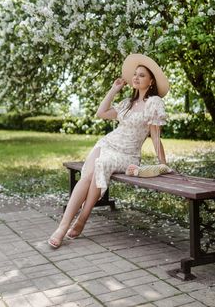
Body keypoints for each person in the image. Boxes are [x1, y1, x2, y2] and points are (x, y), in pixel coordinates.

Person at [48, 53, 169, 248]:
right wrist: (114, 89)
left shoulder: (153, 103)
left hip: (127, 155)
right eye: (135, 74)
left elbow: (155, 137)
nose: (136, 78)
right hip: (107, 144)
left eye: (142, 75)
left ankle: (82, 219)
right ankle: (62, 226)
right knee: (87, 176)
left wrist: (163, 164)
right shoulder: (126, 104)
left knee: (101, 164)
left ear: (151, 81)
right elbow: (101, 113)